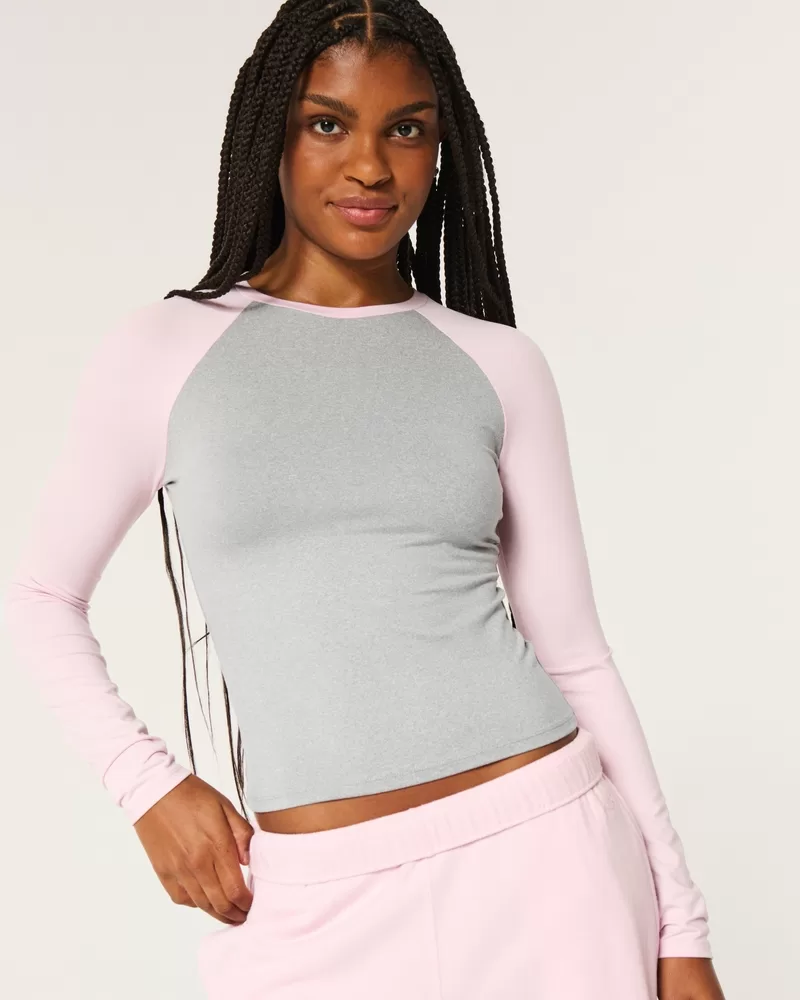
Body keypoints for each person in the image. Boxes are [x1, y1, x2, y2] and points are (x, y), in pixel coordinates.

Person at [3, 2, 726, 998]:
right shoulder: (164, 353)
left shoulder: (497, 363)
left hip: (546, 856)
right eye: (327, 123)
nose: (371, 167)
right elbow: (40, 596)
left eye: (406, 128)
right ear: (271, 132)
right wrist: (146, 784)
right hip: (315, 901)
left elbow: (575, 653)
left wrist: (681, 926)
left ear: (441, 145)